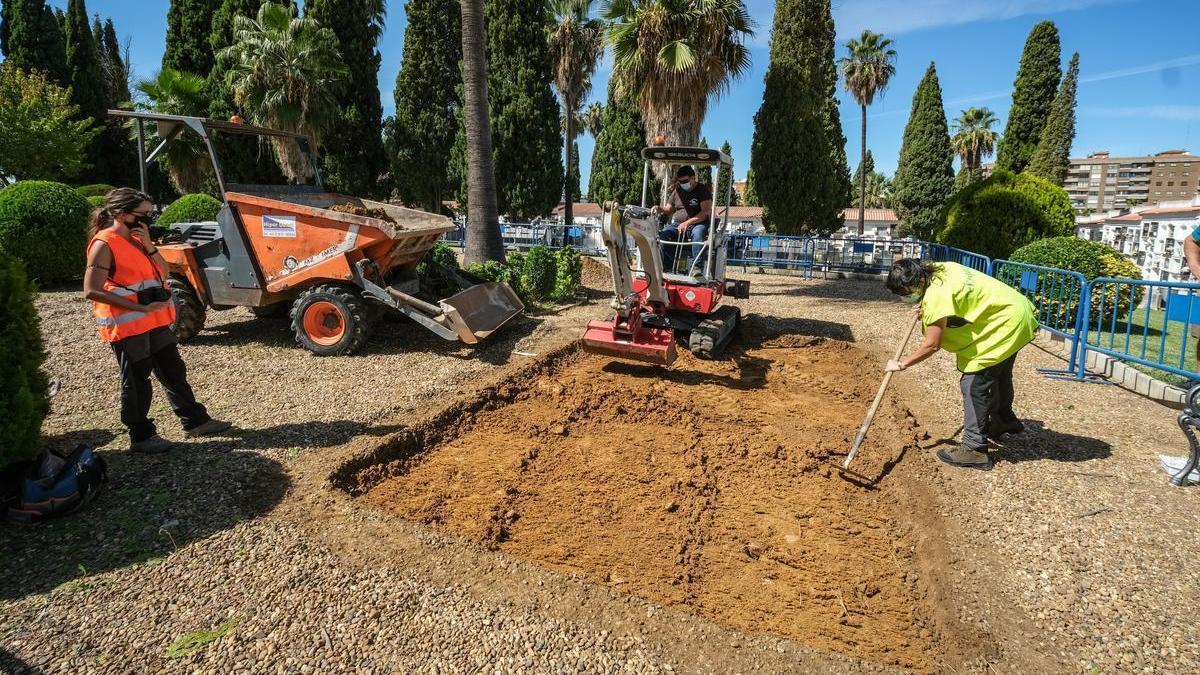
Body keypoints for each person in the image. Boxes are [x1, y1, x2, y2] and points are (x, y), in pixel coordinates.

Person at [83, 188, 231, 453]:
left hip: (154, 320)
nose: (147, 220)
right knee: (137, 380)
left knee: (173, 371)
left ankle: (195, 421)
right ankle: (140, 436)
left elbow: (163, 270)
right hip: (128, 323)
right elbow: (91, 290)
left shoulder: (139, 239)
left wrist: (150, 246)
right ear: (121, 214)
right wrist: (136, 306)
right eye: (142, 215)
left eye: (149, 215)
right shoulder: (104, 244)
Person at [884, 258, 1039, 470]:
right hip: (1016, 312)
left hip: (1005, 322)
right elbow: (958, 299)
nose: (905, 296)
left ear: (917, 281)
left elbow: (932, 345)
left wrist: (902, 364)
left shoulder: (936, 298)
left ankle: (974, 449)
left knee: (974, 383)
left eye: (905, 292)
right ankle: (1003, 419)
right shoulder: (941, 268)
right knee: (998, 372)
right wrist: (926, 303)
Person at [654, 165, 712, 273]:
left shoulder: (702, 190)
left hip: (697, 224)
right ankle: (667, 268)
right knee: (664, 234)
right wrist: (660, 209)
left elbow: (705, 212)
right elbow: (668, 209)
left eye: (685, 181)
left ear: (693, 178)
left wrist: (687, 223)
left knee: (698, 234)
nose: (683, 184)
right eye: (680, 182)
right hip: (677, 224)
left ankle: (696, 268)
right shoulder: (677, 191)